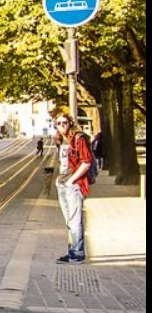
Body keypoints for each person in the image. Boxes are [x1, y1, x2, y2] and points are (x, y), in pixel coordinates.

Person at [53, 113, 94, 264]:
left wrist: (72, 180)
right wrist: (60, 180)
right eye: (59, 123)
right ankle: (72, 251)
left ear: (70, 123)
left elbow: (86, 161)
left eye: (64, 122)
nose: (62, 125)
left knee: (75, 220)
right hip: (62, 184)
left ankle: (77, 253)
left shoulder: (79, 138)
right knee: (69, 220)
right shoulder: (60, 140)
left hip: (74, 185)